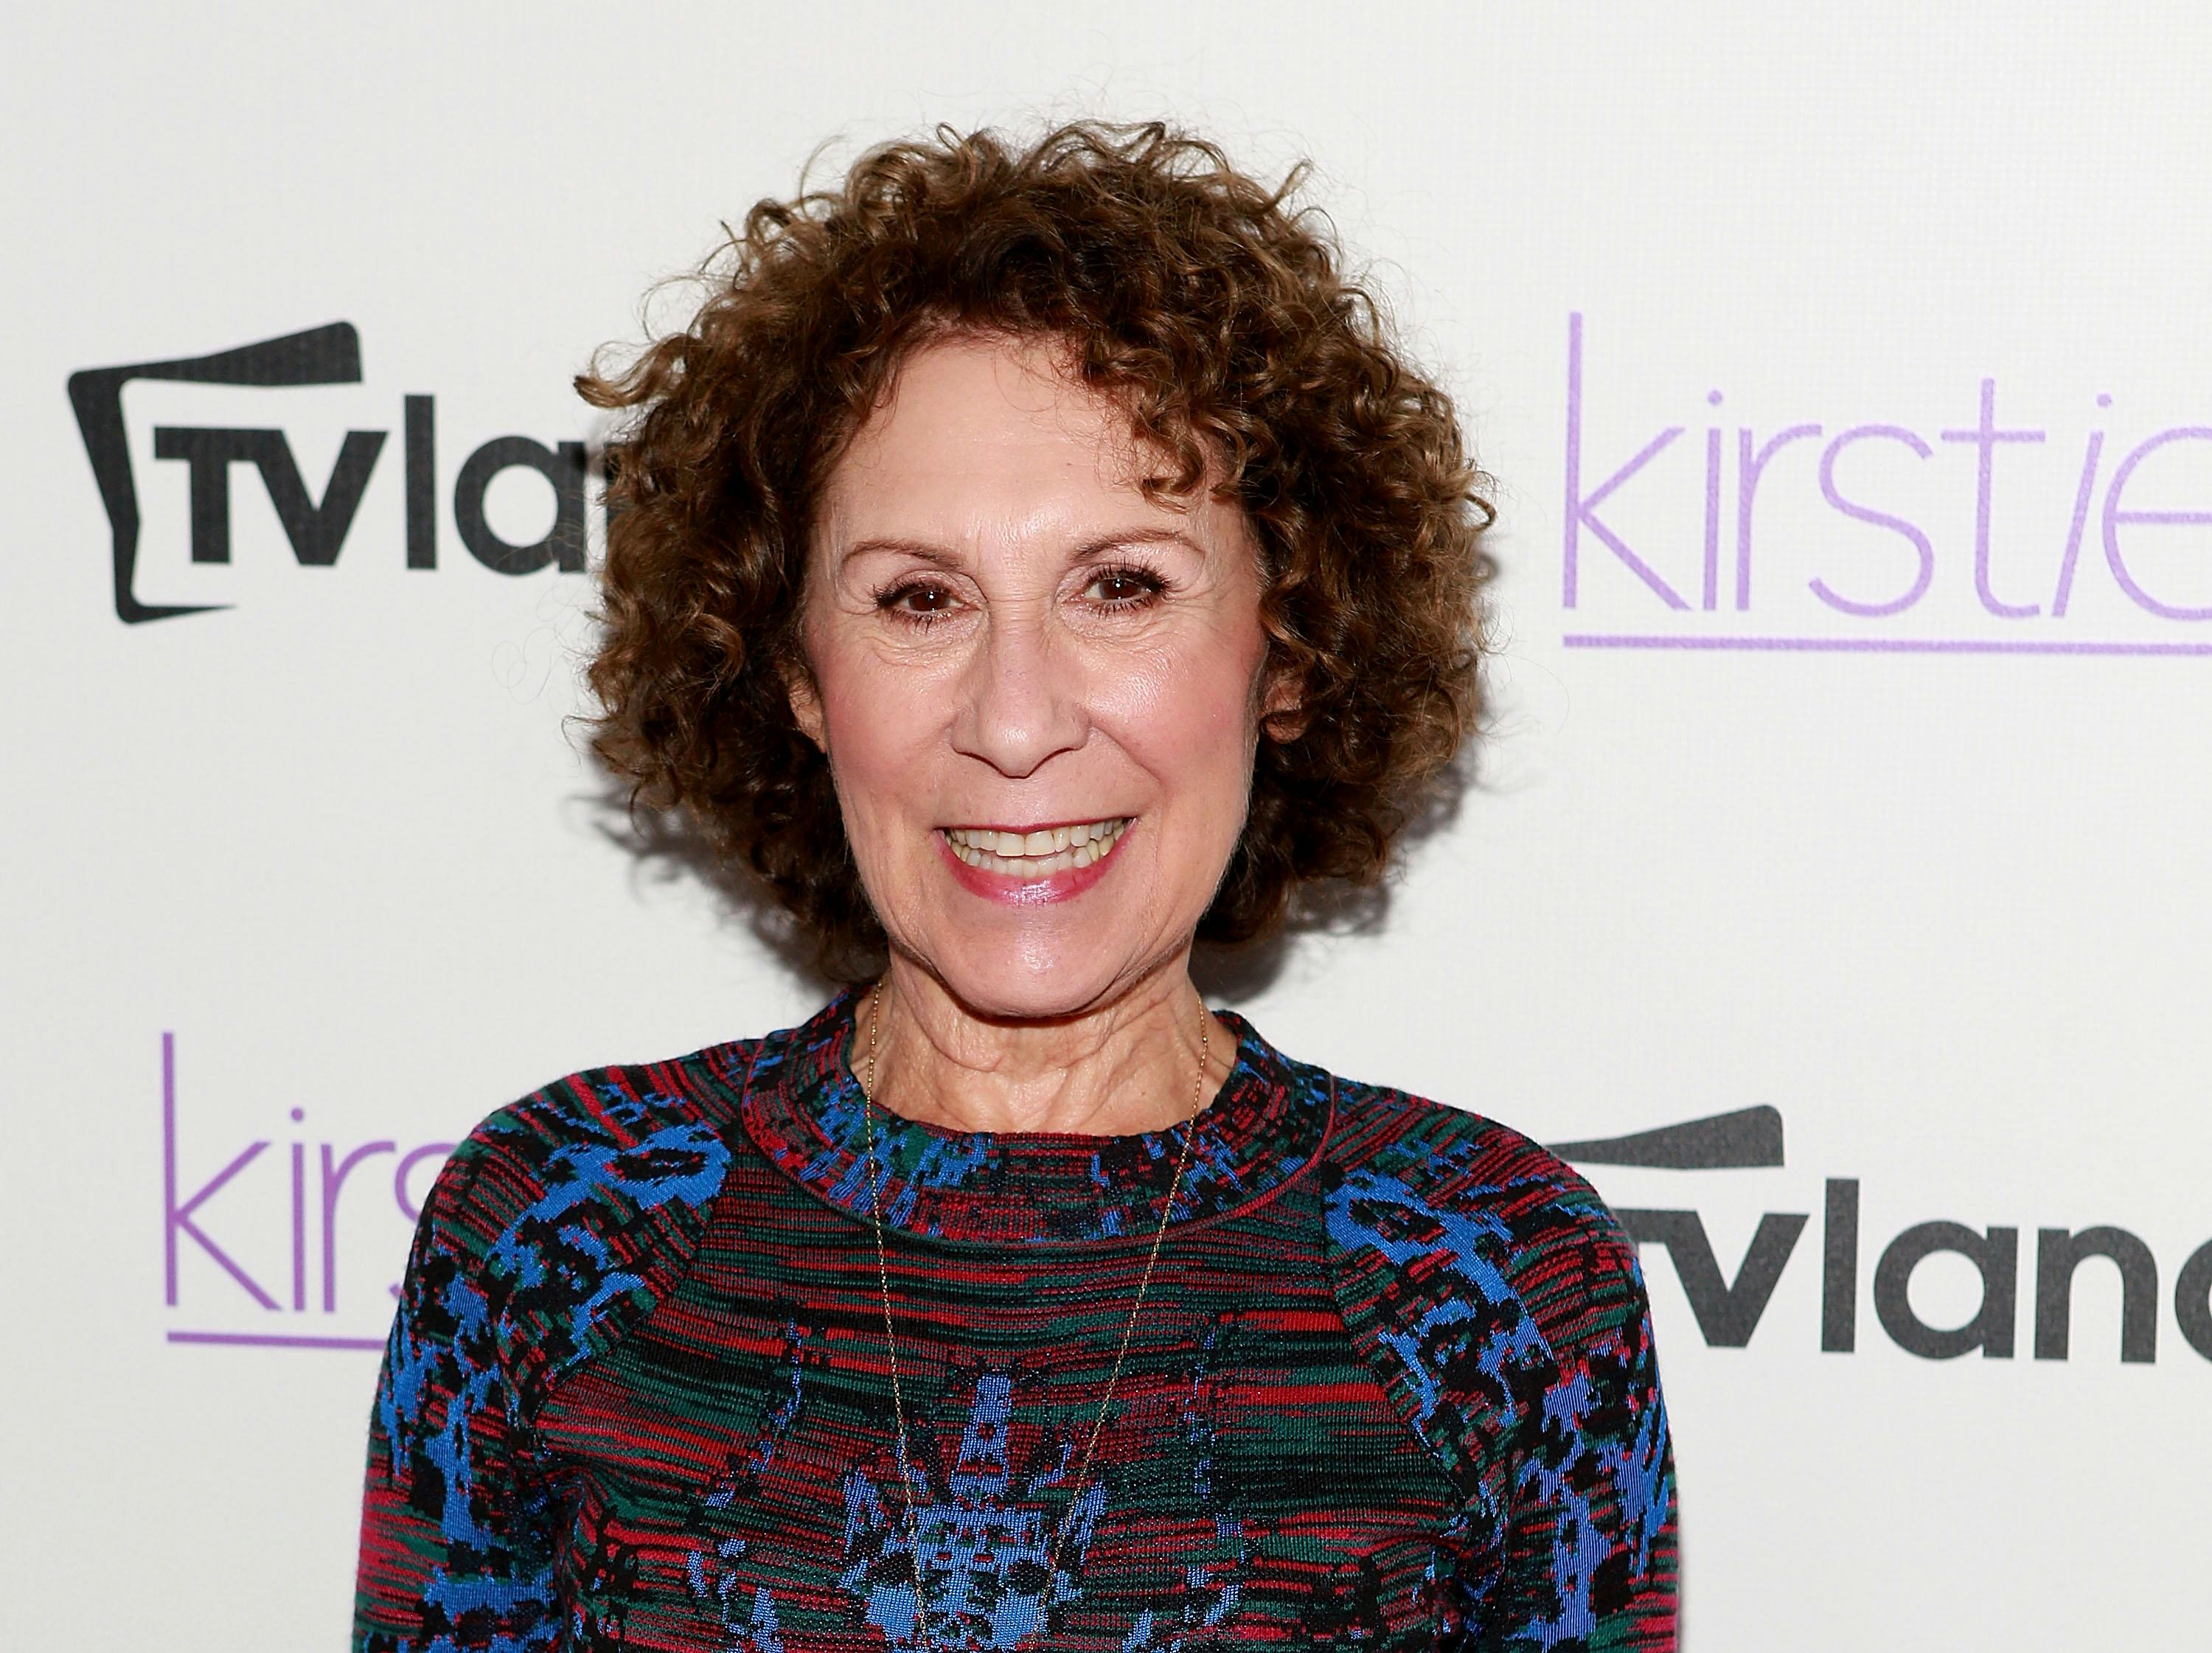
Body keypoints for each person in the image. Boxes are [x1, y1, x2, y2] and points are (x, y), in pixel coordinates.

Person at [352, 121, 1677, 1652]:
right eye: (921, 597)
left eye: (1123, 586)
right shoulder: (557, 1231)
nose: (1016, 718)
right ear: (798, 672)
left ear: (1291, 651)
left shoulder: (1501, 1281)